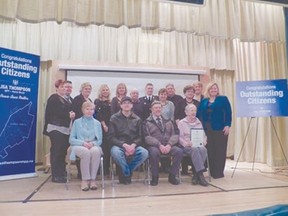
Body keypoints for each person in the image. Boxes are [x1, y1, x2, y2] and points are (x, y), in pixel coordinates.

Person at [108, 96, 149, 185]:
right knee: (115, 152)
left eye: (129, 103)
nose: (127, 105)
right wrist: (124, 145)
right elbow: (111, 137)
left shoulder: (137, 119)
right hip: (119, 145)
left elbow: (140, 137)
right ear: (121, 105)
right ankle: (128, 172)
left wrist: (133, 145)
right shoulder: (113, 118)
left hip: (133, 145)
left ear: (132, 105)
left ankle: (127, 171)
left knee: (144, 153)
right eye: (124, 103)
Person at [143, 101, 183, 186]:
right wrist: (159, 144)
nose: (158, 109)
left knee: (179, 151)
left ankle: (172, 176)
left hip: (168, 145)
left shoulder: (169, 121)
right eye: (155, 108)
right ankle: (155, 176)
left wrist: (169, 144)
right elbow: (147, 137)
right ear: (151, 110)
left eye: (159, 107)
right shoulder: (146, 122)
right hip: (154, 146)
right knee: (153, 153)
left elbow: (175, 134)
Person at [197, 82, 232, 179]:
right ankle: (211, 171)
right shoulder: (204, 100)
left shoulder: (223, 99)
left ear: (218, 90)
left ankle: (218, 173)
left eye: (215, 88)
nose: (213, 90)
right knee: (210, 151)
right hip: (207, 130)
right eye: (211, 88)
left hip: (220, 129)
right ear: (208, 90)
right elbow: (199, 114)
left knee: (220, 151)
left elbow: (228, 113)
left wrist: (227, 125)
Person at [43, 79, 75, 183]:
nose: (65, 89)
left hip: (66, 129)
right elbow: (54, 113)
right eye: (62, 87)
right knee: (56, 151)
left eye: (67, 87)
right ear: (57, 88)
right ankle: (56, 175)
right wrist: (68, 115)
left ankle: (62, 172)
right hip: (55, 128)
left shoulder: (69, 99)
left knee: (62, 152)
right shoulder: (54, 98)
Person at [69, 101, 103, 191]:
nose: (89, 111)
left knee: (95, 151)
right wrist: (83, 143)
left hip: (93, 144)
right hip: (78, 145)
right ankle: (84, 180)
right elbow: (71, 139)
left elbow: (99, 140)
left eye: (91, 109)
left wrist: (92, 144)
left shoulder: (97, 123)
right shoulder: (77, 122)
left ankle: (93, 180)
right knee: (85, 152)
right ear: (83, 110)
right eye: (87, 109)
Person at [178, 104, 209, 186]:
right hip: (187, 146)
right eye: (191, 110)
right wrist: (186, 143)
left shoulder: (198, 122)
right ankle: (200, 175)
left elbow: (203, 135)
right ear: (186, 112)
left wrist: (204, 141)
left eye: (195, 110)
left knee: (203, 149)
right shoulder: (181, 123)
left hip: (198, 145)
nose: (194, 112)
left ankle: (196, 174)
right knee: (194, 149)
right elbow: (179, 137)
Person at [175, 85, 200, 175]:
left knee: (197, 147)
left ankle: (195, 170)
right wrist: (180, 126)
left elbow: (199, 116)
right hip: (183, 127)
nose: (190, 93)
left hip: (194, 128)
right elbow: (176, 116)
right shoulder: (180, 102)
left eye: (191, 91)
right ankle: (184, 170)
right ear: (185, 93)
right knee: (185, 145)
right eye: (188, 91)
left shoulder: (197, 103)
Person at [72, 82, 93, 179]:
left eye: (89, 89)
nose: (87, 90)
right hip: (80, 127)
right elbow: (77, 114)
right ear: (82, 89)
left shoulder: (90, 100)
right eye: (86, 89)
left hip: (90, 128)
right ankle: (81, 172)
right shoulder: (77, 99)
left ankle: (88, 172)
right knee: (82, 149)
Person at [94, 84, 112, 176]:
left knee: (107, 149)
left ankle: (106, 169)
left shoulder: (111, 102)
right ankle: (97, 169)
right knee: (100, 147)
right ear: (101, 91)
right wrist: (104, 125)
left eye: (107, 90)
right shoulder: (97, 101)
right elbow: (98, 114)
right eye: (103, 90)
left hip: (109, 127)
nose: (105, 91)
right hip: (101, 127)